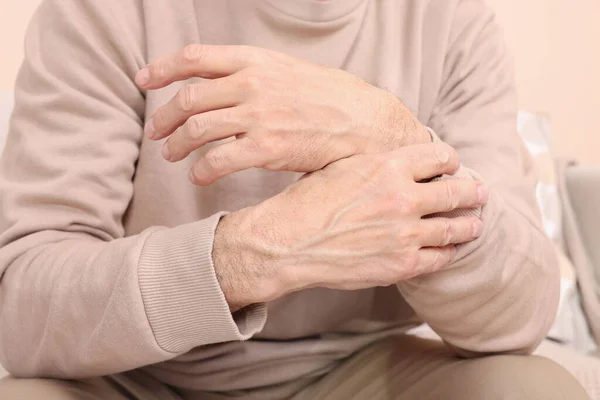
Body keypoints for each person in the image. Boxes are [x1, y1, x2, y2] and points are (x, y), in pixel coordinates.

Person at [0, 0, 589, 399]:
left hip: (362, 370)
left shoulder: (451, 19)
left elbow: (523, 314)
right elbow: (23, 308)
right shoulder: (104, 10)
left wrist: (388, 133)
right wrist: (260, 251)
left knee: (533, 388)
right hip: (131, 377)